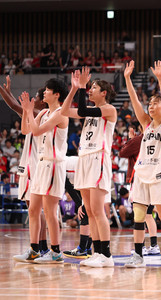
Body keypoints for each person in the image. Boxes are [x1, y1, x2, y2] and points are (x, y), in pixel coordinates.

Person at [61, 66, 117, 267]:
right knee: (90, 211)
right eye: (90, 87)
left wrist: (82, 88)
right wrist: (75, 88)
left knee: (97, 209)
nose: (91, 90)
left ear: (104, 93)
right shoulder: (90, 111)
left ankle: (106, 255)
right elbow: (65, 110)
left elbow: (83, 109)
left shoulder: (109, 109)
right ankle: (97, 252)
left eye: (94, 87)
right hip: (83, 158)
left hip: (97, 158)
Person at [124, 60, 161, 268]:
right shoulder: (145, 125)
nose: (151, 106)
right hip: (141, 175)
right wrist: (127, 78)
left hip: (159, 176)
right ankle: (138, 256)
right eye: (150, 104)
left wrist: (160, 78)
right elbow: (135, 101)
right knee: (138, 216)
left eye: (155, 103)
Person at [17, 78, 69, 264]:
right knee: (33, 209)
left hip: (54, 164)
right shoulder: (45, 112)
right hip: (41, 164)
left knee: (50, 211)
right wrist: (26, 111)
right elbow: (26, 130)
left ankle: (55, 252)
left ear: (56, 94)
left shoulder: (61, 113)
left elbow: (37, 131)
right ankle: (34, 250)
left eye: (47, 90)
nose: (43, 93)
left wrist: (31, 112)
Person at [2, 78, 49, 258]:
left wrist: (3, 91)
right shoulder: (34, 113)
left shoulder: (41, 113)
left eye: (36, 96)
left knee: (36, 209)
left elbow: (15, 106)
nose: (33, 99)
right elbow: (16, 106)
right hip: (29, 165)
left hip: (34, 165)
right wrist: (8, 91)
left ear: (42, 101)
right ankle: (41, 247)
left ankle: (40, 247)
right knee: (34, 209)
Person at [119, 127, 160, 256]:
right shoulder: (157, 138)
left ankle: (141, 246)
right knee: (148, 215)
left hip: (138, 178)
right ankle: (154, 245)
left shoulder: (139, 140)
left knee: (140, 215)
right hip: (152, 178)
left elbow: (122, 153)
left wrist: (131, 139)